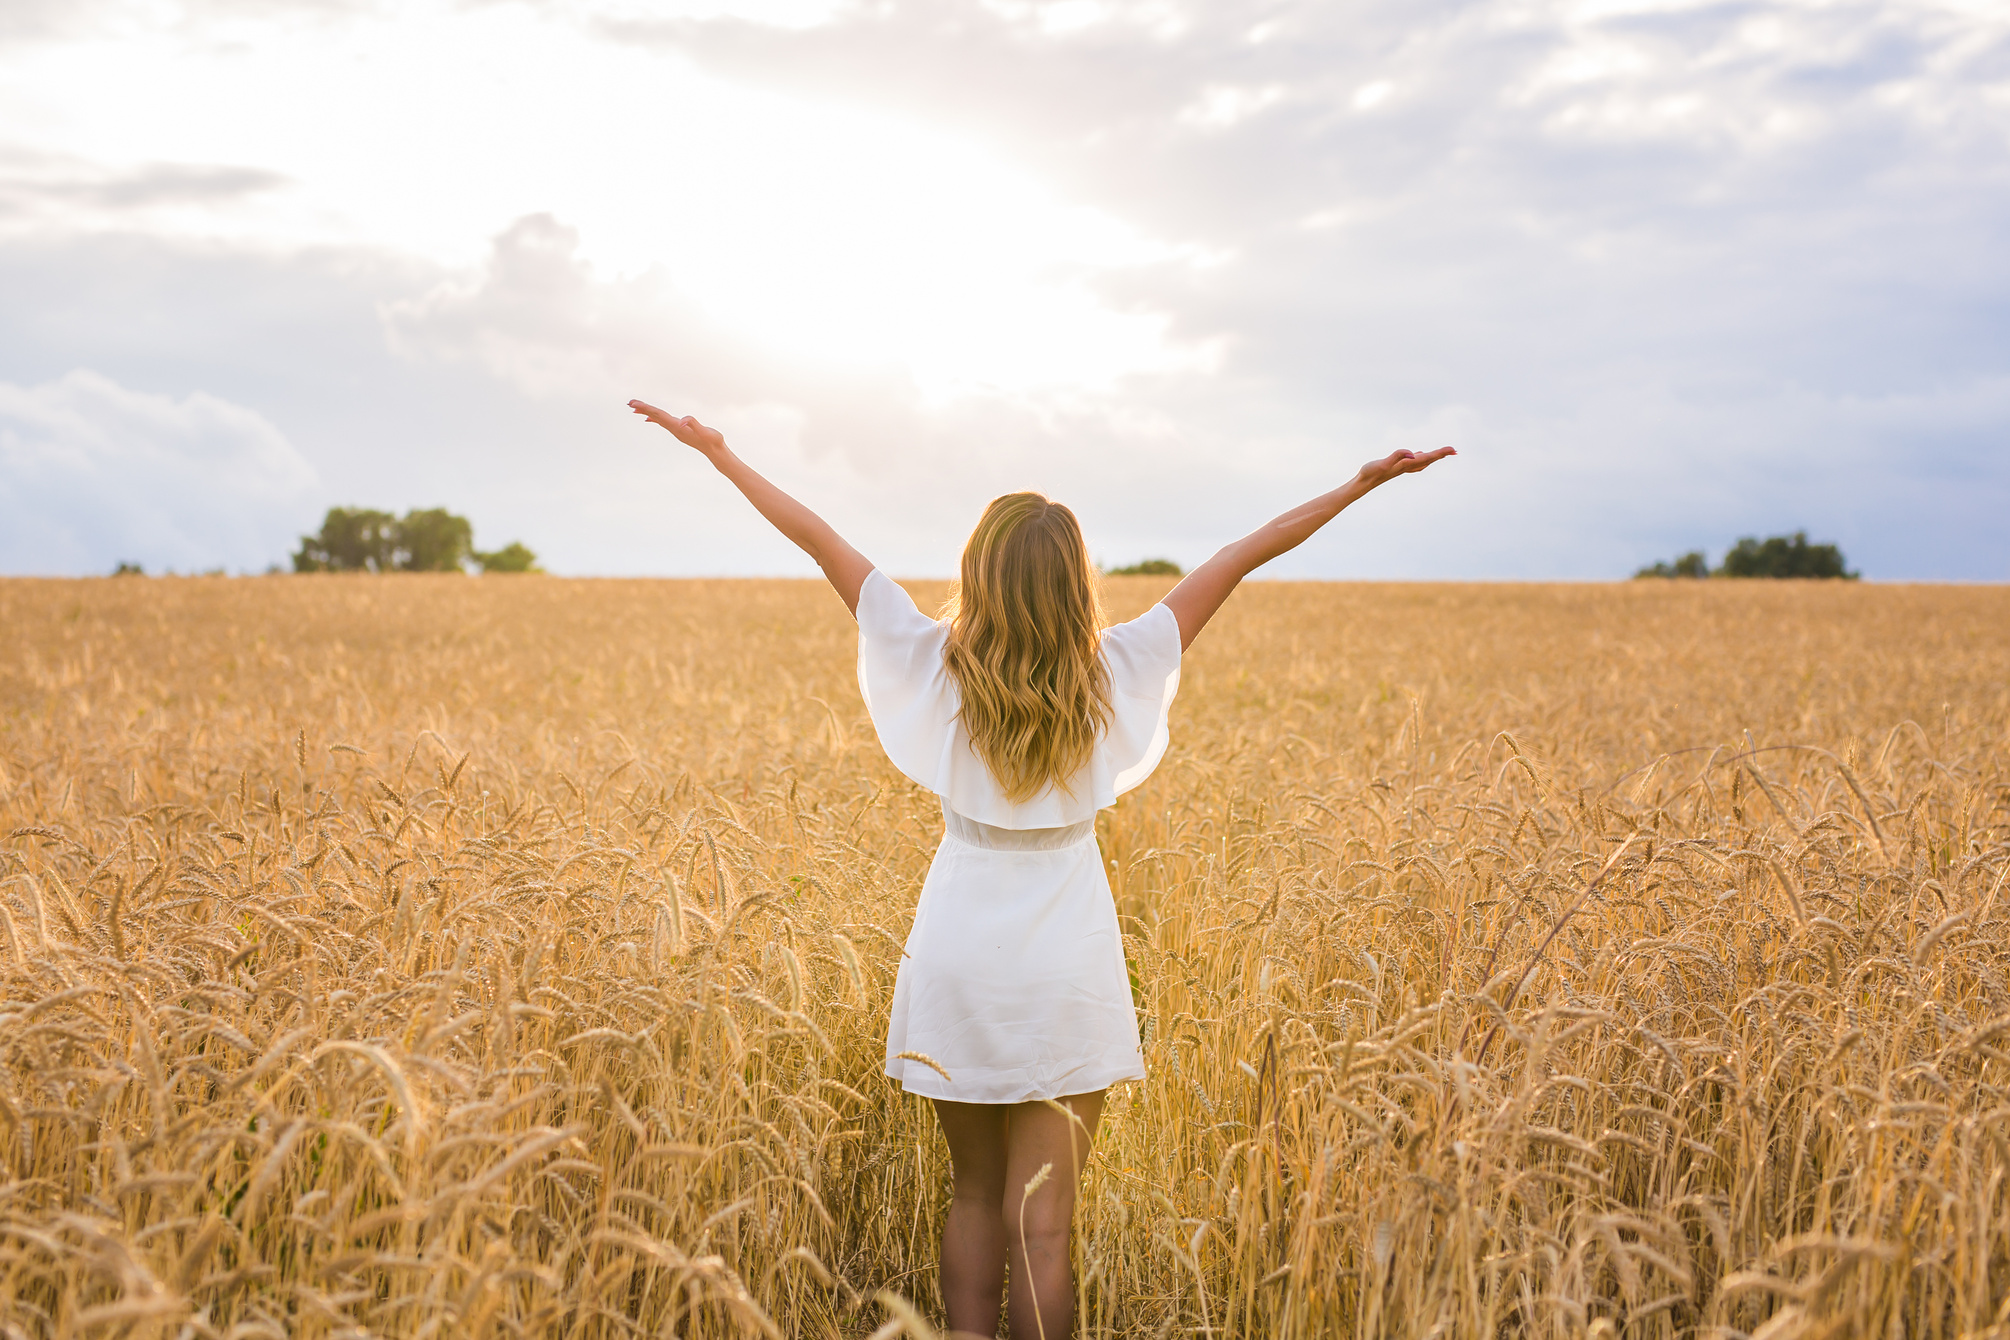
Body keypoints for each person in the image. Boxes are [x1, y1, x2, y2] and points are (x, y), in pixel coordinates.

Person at [628, 398, 1454, 1339]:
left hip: (959, 945)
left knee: (973, 1195)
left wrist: (721, 454)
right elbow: (1244, 551)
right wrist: (1361, 484)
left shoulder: (932, 660)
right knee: (1047, 1226)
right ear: (1075, 581)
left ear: (978, 571)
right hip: (1067, 952)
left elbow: (819, 537)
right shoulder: (1115, 667)